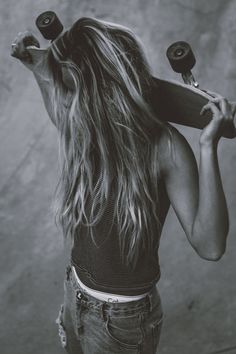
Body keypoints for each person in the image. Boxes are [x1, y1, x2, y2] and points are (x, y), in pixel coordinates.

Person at [11, 16, 236, 354]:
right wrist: (39, 68)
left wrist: (208, 147)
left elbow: (211, 246)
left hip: (123, 320)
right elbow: (61, 112)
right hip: (75, 292)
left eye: (75, 86)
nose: (70, 98)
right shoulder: (87, 128)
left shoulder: (165, 147)